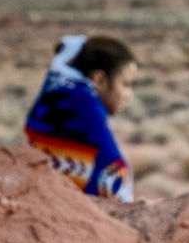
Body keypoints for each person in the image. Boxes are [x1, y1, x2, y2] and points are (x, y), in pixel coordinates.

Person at [25, 35, 136, 202]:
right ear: (99, 80)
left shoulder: (57, 94)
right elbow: (113, 175)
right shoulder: (82, 104)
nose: (129, 95)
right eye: (125, 84)